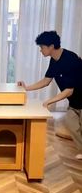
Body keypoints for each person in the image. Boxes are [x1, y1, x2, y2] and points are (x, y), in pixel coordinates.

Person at [18, 30, 82, 160]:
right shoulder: (54, 60)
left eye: (42, 47)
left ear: (51, 46)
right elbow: (46, 81)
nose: (40, 50)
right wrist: (26, 88)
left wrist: (49, 101)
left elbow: (69, 90)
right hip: (75, 102)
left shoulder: (70, 59)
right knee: (71, 123)